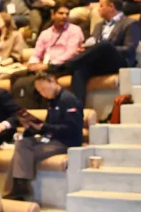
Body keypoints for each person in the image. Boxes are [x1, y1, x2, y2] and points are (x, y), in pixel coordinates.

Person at [5, 72, 83, 200]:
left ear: (52, 81)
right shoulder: (52, 101)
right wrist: (31, 127)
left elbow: (71, 129)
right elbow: (48, 126)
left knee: (23, 152)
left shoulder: (69, 100)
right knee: (22, 143)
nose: (42, 93)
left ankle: (18, 189)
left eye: (43, 89)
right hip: (51, 138)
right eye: (39, 91)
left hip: (65, 142)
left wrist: (43, 127)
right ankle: (19, 187)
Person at [58, 0, 141, 104]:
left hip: (120, 61)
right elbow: (93, 44)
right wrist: (86, 49)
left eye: (101, 6)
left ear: (111, 6)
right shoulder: (99, 25)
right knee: (80, 69)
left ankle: (65, 66)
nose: (98, 9)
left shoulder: (130, 23)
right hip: (100, 63)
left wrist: (106, 49)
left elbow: (129, 49)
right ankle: (77, 108)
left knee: (105, 45)